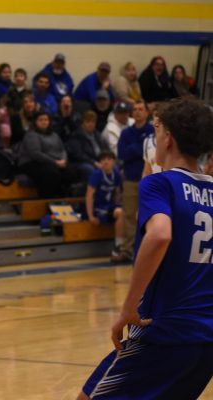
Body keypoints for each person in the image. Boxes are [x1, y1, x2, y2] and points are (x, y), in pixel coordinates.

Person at [78, 97, 213, 399]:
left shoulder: (160, 184)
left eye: (156, 130)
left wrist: (128, 307)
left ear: (168, 138)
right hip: (205, 340)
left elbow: (160, 234)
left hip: (163, 332)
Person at [117, 101, 154, 260]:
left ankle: (149, 250)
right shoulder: (126, 133)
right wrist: (139, 147)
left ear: (147, 112)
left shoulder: (152, 130)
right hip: (131, 179)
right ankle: (127, 250)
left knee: (151, 215)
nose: (138, 112)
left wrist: (134, 148)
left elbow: (152, 152)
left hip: (151, 179)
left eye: (141, 109)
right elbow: (122, 154)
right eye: (135, 110)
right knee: (129, 215)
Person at [85, 150, 126, 262]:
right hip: (99, 208)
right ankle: (118, 247)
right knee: (120, 213)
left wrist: (119, 204)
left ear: (114, 161)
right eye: (103, 160)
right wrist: (91, 216)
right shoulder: (96, 174)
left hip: (110, 207)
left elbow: (118, 193)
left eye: (109, 159)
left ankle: (127, 246)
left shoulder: (116, 174)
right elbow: (89, 196)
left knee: (126, 213)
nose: (106, 162)